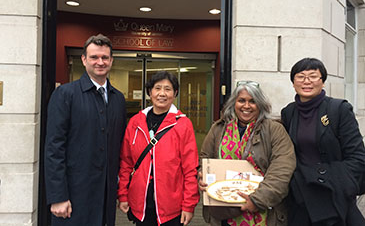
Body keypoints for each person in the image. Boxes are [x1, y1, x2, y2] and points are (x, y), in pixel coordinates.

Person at [44, 34, 127, 226]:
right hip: (72, 197)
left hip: (105, 198)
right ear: (83, 60)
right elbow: (54, 148)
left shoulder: (118, 99)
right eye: (94, 57)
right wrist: (58, 196)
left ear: (111, 60)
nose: (100, 62)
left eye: (105, 57)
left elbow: (119, 147)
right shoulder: (65, 94)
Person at [281, 57, 365, 226]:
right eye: (301, 76)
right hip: (303, 196)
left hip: (334, 194)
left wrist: (337, 184)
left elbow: (357, 157)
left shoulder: (339, 109)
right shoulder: (289, 112)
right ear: (293, 82)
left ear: (323, 82)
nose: (307, 81)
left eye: (313, 76)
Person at [199, 81, 296, 226]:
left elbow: (282, 170)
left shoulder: (274, 130)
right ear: (234, 103)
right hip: (224, 212)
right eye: (241, 101)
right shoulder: (218, 128)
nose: (246, 106)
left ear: (261, 105)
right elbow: (205, 159)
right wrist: (202, 175)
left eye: (253, 101)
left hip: (262, 214)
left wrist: (257, 200)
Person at [118, 71, 200, 226]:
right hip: (140, 203)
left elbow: (190, 169)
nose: (162, 93)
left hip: (171, 205)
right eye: (157, 88)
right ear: (150, 92)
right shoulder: (136, 122)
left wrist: (189, 205)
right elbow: (126, 163)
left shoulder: (182, 124)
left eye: (168, 89)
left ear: (175, 93)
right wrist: (122, 194)